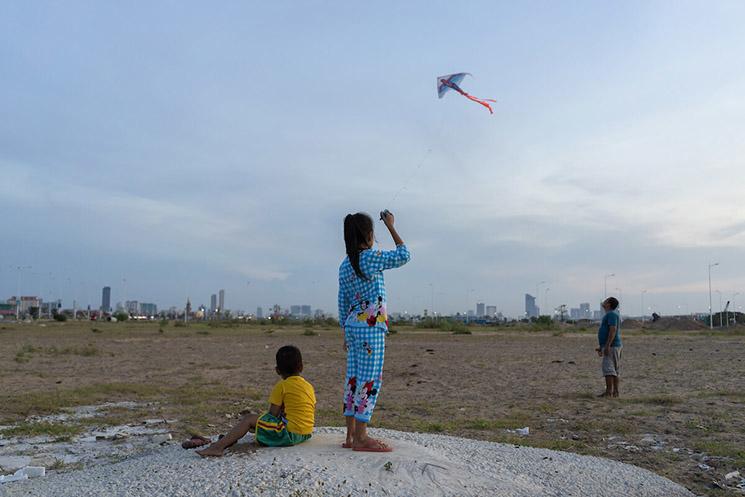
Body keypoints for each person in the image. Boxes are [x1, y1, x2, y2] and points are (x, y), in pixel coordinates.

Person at [338, 211, 410, 452]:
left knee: (354, 379)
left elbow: (343, 300)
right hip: (371, 328)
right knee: (369, 380)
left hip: (351, 327)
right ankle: (361, 438)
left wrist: (344, 331)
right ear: (368, 234)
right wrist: (391, 226)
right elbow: (404, 255)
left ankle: (350, 436)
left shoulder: (345, 265)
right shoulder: (369, 258)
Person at [196, 345, 316, 457]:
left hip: (289, 435)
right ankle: (230, 438)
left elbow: (272, 415)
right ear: (301, 367)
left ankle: (217, 447)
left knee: (249, 419)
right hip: (305, 433)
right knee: (258, 423)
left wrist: (255, 421)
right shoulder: (308, 386)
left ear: (277, 370)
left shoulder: (282, 386)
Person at [596, 297, 622, 398]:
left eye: (606, 301)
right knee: (614, 370)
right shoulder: (610, 315)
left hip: (612, 346)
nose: (603, 302)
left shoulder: (611, 314)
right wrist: (602, 346)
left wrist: (607, 345)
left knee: (609, 370)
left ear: (609, 304)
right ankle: (615, 392)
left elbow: (613, 330)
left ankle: (609, 392)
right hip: (612, 346)